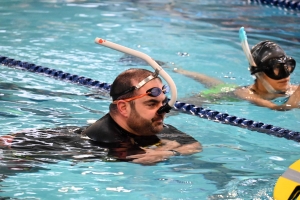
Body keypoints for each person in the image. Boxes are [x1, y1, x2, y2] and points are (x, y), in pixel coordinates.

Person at [0, 68, 202, 165]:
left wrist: (170, 149)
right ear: (123, 108)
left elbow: (194, 146)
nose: (163, 111)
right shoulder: (104, 135)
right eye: (151, 104)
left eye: (162, 103)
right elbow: (148, 158)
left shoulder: (146, 123)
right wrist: (169, 149)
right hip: (24, 151)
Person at [174, 40, 300, 111]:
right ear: (260, 74)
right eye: (277, 70)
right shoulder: (246, 93)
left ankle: (180, 70)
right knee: (178, 107)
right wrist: (292, 103)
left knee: (218, 83)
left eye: (288, 67)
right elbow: (278, 108)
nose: (286, 76)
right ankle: (178, 70)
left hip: (229, 86)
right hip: (224, 94)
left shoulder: (292, 89)